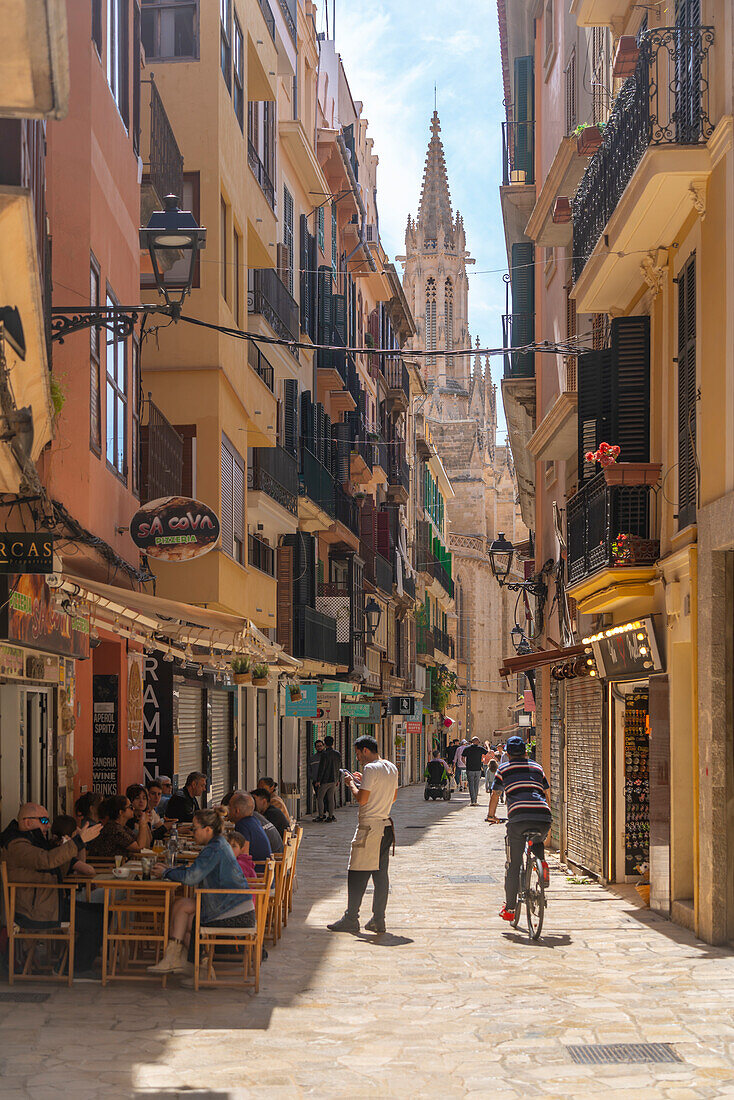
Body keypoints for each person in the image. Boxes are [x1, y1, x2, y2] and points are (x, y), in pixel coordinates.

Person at [148, 807, 254, 978]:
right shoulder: (219, 844)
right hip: (232, 908)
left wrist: (166, 872)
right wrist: (171, 869)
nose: (192, 832)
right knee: (187, 918)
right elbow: (195, 870)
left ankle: (176, 959)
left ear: (207, 830)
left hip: (233, 914)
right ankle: (199, 969)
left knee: (182, 907)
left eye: (194, 828)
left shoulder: (214, 848)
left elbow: (191, 877)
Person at [1, 804, 102, 975]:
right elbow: (46, 861)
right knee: (96, 921)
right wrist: (77, 843)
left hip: (46, 902)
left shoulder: (34, 841)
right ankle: (72, 969)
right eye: (44, 820)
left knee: (103, 911)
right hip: (33, 910)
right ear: (27, 822)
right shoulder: (17, 844)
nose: (48, 825)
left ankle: (80, 960)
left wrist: (72, 846)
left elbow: (55, 869)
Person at [327, 734, 398, 935]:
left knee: (356, 872)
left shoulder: (370, 768)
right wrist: (363, 781)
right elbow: (392, 797)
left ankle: (351, 917)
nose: (358, 758)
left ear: (365, 750)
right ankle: (378, 919)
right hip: (385, 827)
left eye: (358, 754)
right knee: (380, 875)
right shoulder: (391, 767)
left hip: (369, 828)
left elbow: (362, 799)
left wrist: (351, 783)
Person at [486, 735, 552, 922]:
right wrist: (548, 816)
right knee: (537, 840)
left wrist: (491, 816)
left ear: (507, 753)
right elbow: (545, 793)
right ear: (525, 752)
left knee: (514, 864)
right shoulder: (538, 768)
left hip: (518, 818)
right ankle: (542, 867)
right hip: (543, 816)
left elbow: (495, 794)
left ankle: (510, 909)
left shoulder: (504, 768)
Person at [87, 795, 151, 857]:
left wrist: (144, 824)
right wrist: (142, 824)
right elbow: (139, 848)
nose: (133, 808)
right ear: (121, 812)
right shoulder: (114, 829)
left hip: (118, 865)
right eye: (130, 807)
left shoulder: (122, 827)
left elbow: (144, 845)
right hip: (106, 866)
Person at [226, 792, 273, 861]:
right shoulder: (254, 821)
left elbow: (243, 855)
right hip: (264, 868)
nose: (227, 809)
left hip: (257, 869)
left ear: (237, 811)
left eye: (229, 806)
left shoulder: (242, 825)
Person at [314, 735, 342, 822]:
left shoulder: (324, 754)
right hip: (334, 780)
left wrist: (318, 780)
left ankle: (321, 816)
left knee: (320, 798)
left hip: (325, 780)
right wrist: (338, 779)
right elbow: (340, 768)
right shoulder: (338, 754)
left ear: (325, 744)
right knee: (331, 798)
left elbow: (322, 768)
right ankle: (330, 816)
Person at [462, 736, 487, 806]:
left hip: (469, 768)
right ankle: (475, 800)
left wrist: (465, 764)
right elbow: (487, 753)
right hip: (478, 769)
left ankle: (473, 800)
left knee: (471, 785)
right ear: (477, 742)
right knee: (476, 785)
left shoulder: (467, 749)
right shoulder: (480, 748)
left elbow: (462, 757)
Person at [308, 739, 325, 814]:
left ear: (323, 746)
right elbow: (309, 769)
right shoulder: (313, 758)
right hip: (315, 781)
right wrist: (312, 777)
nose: (319, 748)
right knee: (319, 797)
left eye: (320, 746)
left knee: (326, 798)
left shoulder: (326, 757)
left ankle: (325, 812)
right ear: (315, 748)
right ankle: (321, 813)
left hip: (325, 781)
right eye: (317, 746)